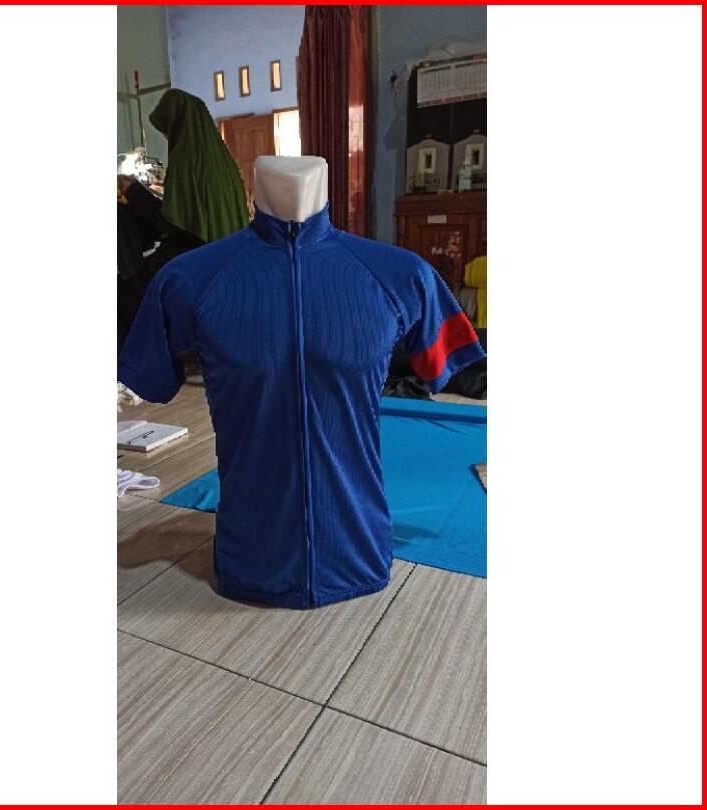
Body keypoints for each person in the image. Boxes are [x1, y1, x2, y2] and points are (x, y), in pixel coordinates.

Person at [117, 156, 485, 609]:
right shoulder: (188, 279)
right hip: (249, 558)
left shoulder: (402, 275)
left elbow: (447, 366)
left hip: (360, 552)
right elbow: (151, 379)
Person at [117, 88, 249, 349]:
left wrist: (133, 191)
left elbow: (172, 223)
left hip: (199, 254)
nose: (166, 137)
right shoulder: (221, 160)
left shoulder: (187, 161)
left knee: (129, 291)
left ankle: (147, 356)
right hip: (229, 253)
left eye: (167, 130)